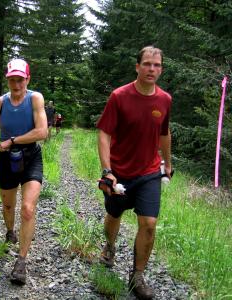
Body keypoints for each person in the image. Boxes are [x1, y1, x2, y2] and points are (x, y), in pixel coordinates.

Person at [96, 46, 172, 300]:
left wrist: (167, 165)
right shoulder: (119, 96)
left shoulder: (164, 100)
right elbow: (104, 133)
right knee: (113, 214)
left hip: (149, 172)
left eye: (157, 65)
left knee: (149, 224)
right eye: (148, 64)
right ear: (137, 66)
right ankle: (109, 246)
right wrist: (107, 170)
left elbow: (164, 133)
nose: (152, 69)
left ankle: (137, 275)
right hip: (119, 172)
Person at [0, 58, 47, 285]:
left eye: (20, 80)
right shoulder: (1, 101)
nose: (16, 85)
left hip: (30, 156)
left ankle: (22, 260)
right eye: (12, 80)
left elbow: (42, 132)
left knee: (27, 208)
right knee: (8, 205)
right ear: (8, 80)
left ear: (28, 79)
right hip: (7, 159)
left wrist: (13, 140)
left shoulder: (35, 98)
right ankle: (10, 231)